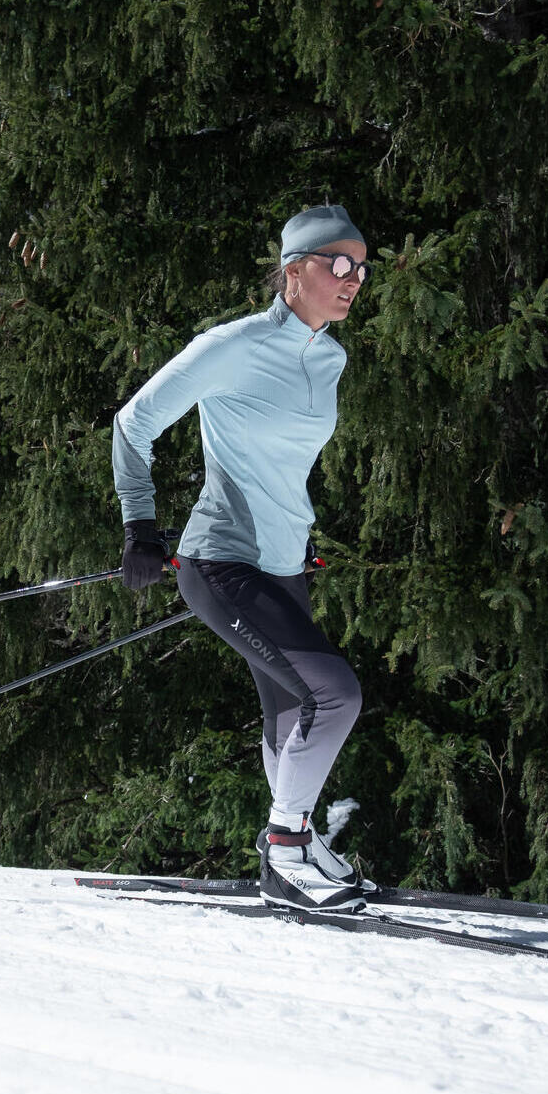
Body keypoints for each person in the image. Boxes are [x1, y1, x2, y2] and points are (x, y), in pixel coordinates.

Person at [111, 203, 375, 913]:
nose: (354, 278)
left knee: (293, 712)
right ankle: (283, 851)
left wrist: (298, 528)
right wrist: (141, 526)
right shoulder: (232, 346)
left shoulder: (332, 357)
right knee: (336, 693)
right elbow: (132, 425)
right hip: (221, 561)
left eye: (362, 267)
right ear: (294, 270)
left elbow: (283, 458)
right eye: (338, 264)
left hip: (285, 565)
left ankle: (300, 836)